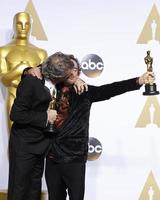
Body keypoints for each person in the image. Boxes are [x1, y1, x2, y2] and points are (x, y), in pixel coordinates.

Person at [37, 54, 154, 200]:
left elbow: (111, 89)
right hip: (52, 156)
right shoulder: (48, 89)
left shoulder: (85, 92)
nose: (73, 72)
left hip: (74, 157)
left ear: (79, 71)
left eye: (75, 69)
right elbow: (39, 71)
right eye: (68, 69)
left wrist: (138, 81)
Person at [8, 52, 87, 200]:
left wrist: (78, 80)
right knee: (19, 189)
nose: (70, 77)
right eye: (67, 75)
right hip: (24, 146)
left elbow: (60, 65)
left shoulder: (56, 80)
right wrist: (45, 117)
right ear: (56, 75)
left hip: (41, 145)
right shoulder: (31, 81)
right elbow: (16, 114)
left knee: (34, 189)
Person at [0, 12, 47, 129]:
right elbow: (4, 80)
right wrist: (20, 69)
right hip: (14, 98)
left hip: (37, 103)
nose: (23, 27)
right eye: (19, 24)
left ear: (30, 27)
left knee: (36, 142)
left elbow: (45, 81)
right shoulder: (4, 51)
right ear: (13, 25)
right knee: (14, 141)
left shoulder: (41, 53)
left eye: (26, 24)